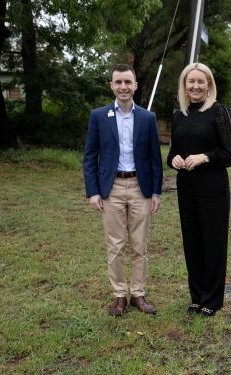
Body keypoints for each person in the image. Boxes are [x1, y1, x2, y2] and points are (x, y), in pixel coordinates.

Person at [83, 64, 163, 317]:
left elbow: (154, 158)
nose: (123, 87)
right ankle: (119, 295)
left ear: (135, 86)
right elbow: (90, 156)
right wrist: (93, 191)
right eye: (118, 82)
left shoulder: (147, 118)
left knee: (139, 245)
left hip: (141, 187)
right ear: (112, 86)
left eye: (128, 82)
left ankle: (138, 293)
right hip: (112, 188)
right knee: (115, 245)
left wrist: (156, 192)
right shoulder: (99, 116)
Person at [167, 62, 231, 317]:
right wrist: (174, 160)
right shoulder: (179, 116)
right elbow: (174, 152)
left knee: (213, 242)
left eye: (201, 81)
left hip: (213, 187)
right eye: (191, 82)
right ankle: (196, 297)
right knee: (192, 242)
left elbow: (230, 153)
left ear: (209, 85)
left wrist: (204, 157)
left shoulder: (218, 112)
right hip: (186, 187)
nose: (195, 86)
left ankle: (212, 299)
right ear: (184, 86)